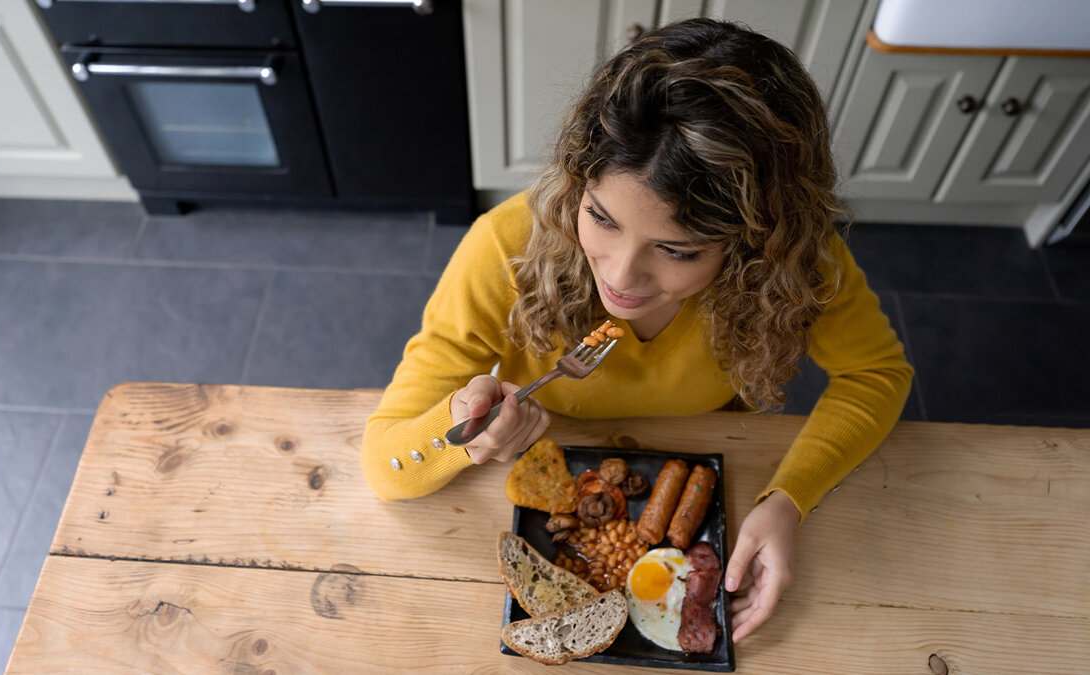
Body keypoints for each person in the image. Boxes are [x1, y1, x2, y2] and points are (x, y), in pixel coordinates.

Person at [360, 18, 912, 643]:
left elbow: (877, 374)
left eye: (676, 251)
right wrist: (461, 433)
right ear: (578, 180)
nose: (620, 277)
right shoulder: (503, 247)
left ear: (758, 245)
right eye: (600, 218)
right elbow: (386, 467)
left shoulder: (802, 265)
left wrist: (789, 498)